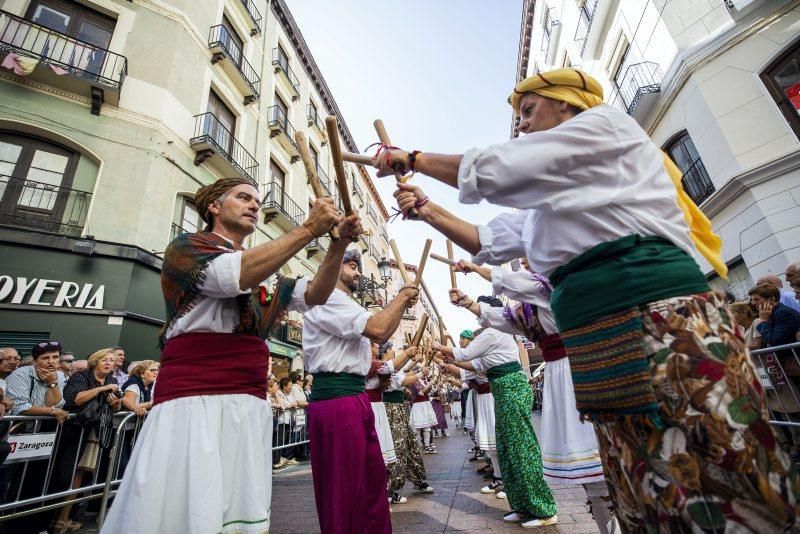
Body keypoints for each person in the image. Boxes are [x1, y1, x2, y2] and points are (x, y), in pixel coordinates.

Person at [376, 67, 798, 531]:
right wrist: (427, 208)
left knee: (717, 461)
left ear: (566, 104)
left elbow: (500, 170)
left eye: (527, 112)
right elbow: (487, 239)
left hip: (660, 322)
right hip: (603, 337)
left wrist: (412, 158)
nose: (520, 126)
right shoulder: (549, 204)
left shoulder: (604, 127)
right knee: (645, 477)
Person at [102, 176, 360, 534]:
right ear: (214, 206)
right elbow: (230, 278)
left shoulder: (262, 269)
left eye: (257, 199)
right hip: (194, 401)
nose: (255, 205)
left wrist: (338, 244)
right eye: (243, 197)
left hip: (246, 403)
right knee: (183, 504)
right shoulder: (188, 247)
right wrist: (308, 229)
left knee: (236, 509)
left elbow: (316, 293)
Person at [450, 263, 613, 533]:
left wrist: (477, 269)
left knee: (595, 462)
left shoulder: (551, 285)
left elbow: (520, 289)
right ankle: (526, 504)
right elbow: (504, 316)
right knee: (512, 449)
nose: (525, 262)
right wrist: (467, 302)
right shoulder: (526, 309)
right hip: (558, 374)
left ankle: (546, 507)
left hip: (576, 368)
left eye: (529, 256)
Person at [301, 248, 418, 534]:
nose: (358, 272)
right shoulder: (326, 296)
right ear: (333, 265)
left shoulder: (346, 303)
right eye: (352, 266)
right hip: (337, 402)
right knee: (344, 489)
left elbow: (381, 331)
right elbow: (378, 329)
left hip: (354, 400)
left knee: (370, 481)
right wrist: (401, 297)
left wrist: (402, 304)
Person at [436, 321, 557, 528]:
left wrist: (438, 347)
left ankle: (544, 509)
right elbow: (475, 366)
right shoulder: (492, 336)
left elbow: (465, 355)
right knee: (507, 450)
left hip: (510, 389)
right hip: (503, 392)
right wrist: (449, 361)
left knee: (521, 449)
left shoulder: (494, 332)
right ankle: (522, 505)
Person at [57, 348, 122, 533]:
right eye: (105, 360)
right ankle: (57, 519)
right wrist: (101, 389)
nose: (109, 363)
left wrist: (115, 403)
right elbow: (74, 399)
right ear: (95, 361)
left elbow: (116, 407)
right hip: (75, 432)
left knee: (81, 476)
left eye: (111, 360)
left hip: (96, 433)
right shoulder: (82, 377)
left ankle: (67, 517)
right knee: (67, 475)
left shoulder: (112, 380)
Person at [382, 346, 434, 504]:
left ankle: (418, 480)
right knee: (396, 450)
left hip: (398, 410)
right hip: (389, 410)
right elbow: (404, 379)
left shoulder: (392, 367)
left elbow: (403, 373)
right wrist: (420, 373)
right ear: (384, 353)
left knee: (410, 444)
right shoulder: (383, 368)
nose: (392, 350)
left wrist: (416, 364)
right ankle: (390, 490)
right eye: (389, 349)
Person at [288, 372, 309, 461]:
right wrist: (307, 404)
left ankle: (302, 454)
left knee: (302, 435)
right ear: (297, 381)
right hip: (297, 415)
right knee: (296, 435)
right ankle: (289, 455)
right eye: (301, 380)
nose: (302, 382)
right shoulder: (295, 388)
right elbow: (298, 401)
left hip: (302, 415)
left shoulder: (300, 389)